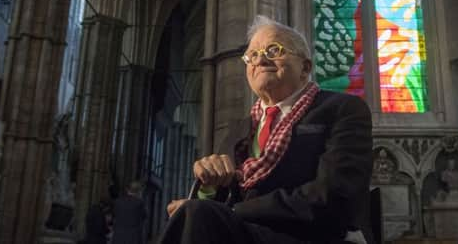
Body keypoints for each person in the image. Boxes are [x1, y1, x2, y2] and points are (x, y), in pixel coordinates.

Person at [160, 16, 373, 244]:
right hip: (244, 234)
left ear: (305, 67)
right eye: (252, 55)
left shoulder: (341, 109)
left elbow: (334, 194)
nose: (260, 59)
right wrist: (208, 187)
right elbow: (218, 200)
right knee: (191, 214)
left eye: (273, 50)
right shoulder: (240, 130)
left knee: (197, 214)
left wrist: (234, 211)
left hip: (311, 235)